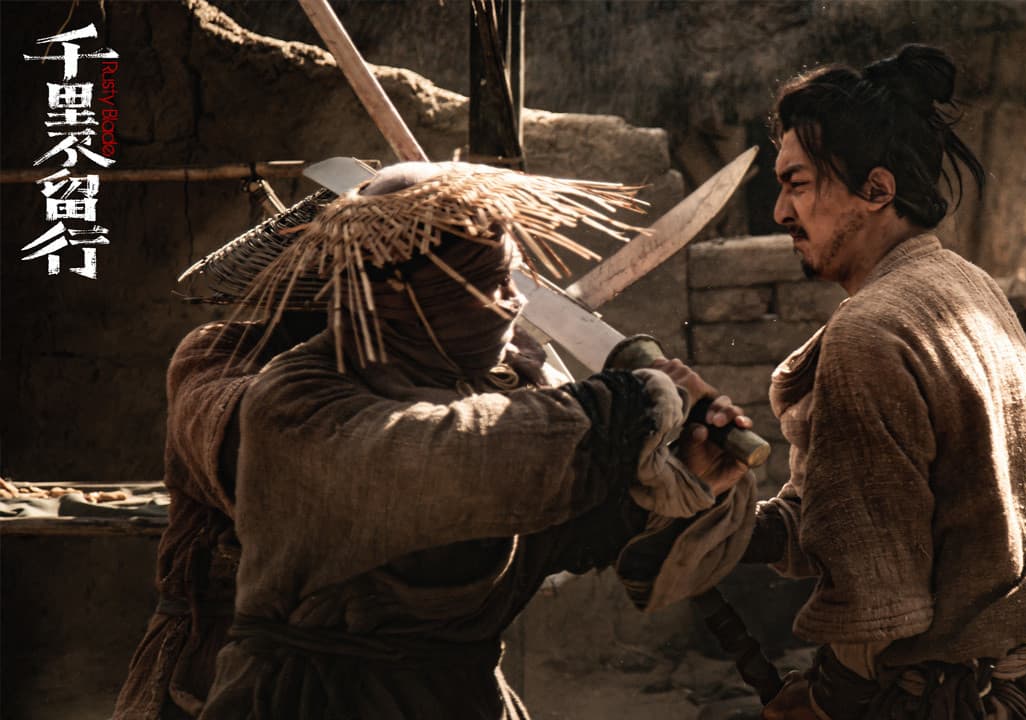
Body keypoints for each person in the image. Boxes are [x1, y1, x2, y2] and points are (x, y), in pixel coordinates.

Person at [194, 161, 756, 719]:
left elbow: (543, 536)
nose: (515, 302)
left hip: (458, 698)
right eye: (494, 283)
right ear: (411, 295)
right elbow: (445, 461)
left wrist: (666, 481)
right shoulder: (295, 400)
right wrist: (626, 407)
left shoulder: (485, 387)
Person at [744, 46, 1026, 719]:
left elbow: (877, 593)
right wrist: (722, 529)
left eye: (798, 184)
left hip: (982, 699)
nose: (781, 211)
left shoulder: (870, 333)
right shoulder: (966, 282)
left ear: (877, 190)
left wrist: (826, 699)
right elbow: (868, 511)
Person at [113, 193, 333, 720]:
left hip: (384, 676)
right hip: (217, 661)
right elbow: (260, 452)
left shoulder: (439, 375)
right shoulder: (217, 354)